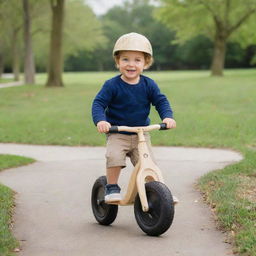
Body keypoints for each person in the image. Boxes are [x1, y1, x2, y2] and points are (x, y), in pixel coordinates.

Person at [92, 32, 176, 202]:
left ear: (146, 63)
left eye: (137, 60)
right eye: (125, 59)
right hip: (118, 132)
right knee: (114, 156)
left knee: (149, 164)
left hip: (141, 134)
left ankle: (158, 193)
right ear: (118, 62)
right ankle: (112, 187)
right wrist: (101, 120)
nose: (131, 64)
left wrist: (167, 117)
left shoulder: (148, 84)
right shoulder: (112, 85)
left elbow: (160, 101)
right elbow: (98, 103)